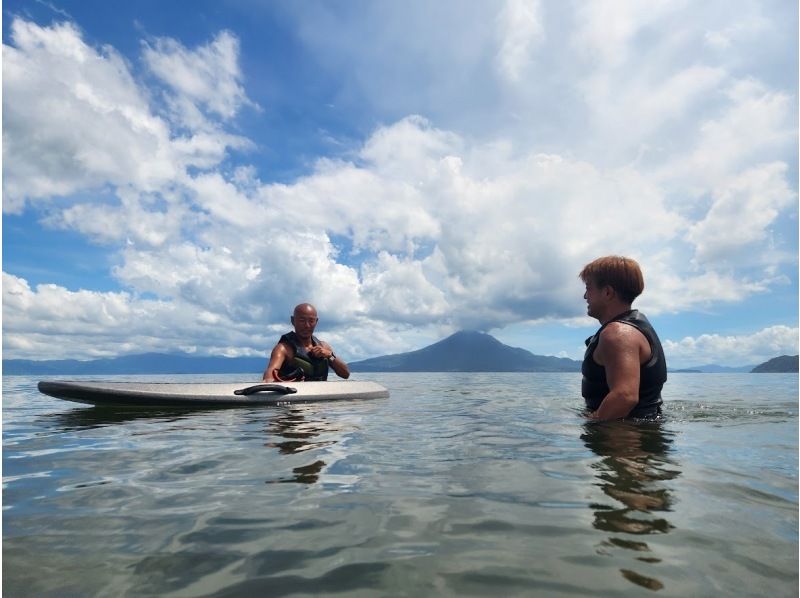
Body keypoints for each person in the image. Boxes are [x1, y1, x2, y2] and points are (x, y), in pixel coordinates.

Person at [579, 256, 667, 420]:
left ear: (607, 292)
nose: (585, 296)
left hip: (624, 437)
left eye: (588, 288)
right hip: (641, 431)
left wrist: (593, 421)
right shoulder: (635, 327)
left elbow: (624, 397)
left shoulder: (618, 334)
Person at [262, 303, 350, 382]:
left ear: (316, 322)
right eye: (302, 320)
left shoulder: (324, 347)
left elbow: (346, 374)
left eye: (311, 321)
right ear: (293, 321)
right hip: (295, 397)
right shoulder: (283, 349)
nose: (307, 325)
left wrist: (330, 356)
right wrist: (288, 382)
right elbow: (268, 378)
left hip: (320, 398)